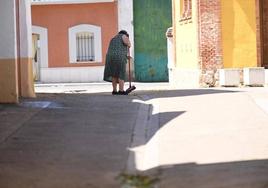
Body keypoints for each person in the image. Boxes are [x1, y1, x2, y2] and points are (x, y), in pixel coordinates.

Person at [103, 30, 131, 95]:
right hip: (119, 58)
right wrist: (129, 42)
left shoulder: (113, 38)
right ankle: (121, 91)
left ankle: (114, 91)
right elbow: (128, 44)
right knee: (121, 73)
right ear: (125, 34)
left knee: (114, 75)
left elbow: (117, 49)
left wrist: (126, 56)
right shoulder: (124, 36)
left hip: (110, 58)